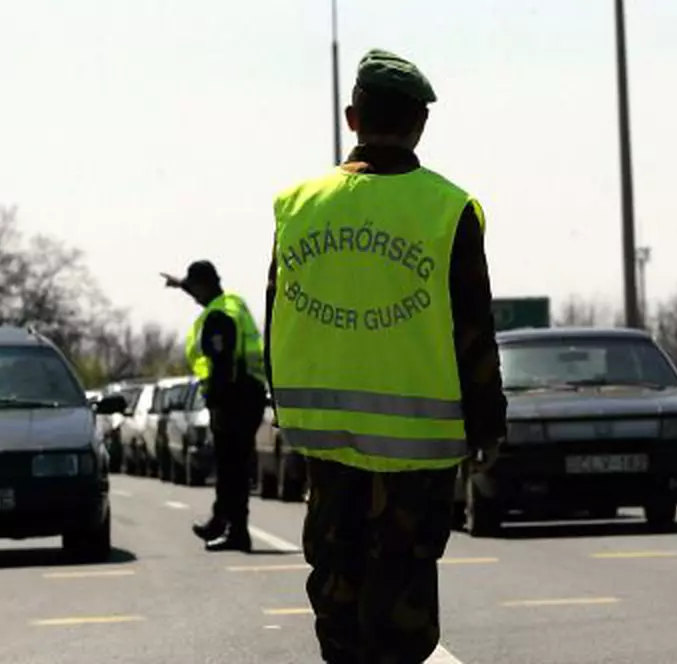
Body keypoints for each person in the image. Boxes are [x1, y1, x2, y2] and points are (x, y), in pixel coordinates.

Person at [264, 49, 507, 664]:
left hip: (326, 443)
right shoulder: (447, 211)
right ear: (420, 124)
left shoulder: (297, 206)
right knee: (401, 608)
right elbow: (473, 330)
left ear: (353, 118)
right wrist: (487, 424)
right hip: (418, 452)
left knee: (337, 598)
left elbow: (275, 319)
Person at [162, 260, 267, 552]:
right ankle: (224, 522)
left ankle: (233, 529)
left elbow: (222, 363)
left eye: (194, 288)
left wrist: (217, 402)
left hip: (234, 398)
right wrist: (180, 285)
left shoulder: (218, 315)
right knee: (232, 465)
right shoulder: (231, 303)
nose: (193, 296)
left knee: (231, 467)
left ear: (205, 285)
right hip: (249, 394)